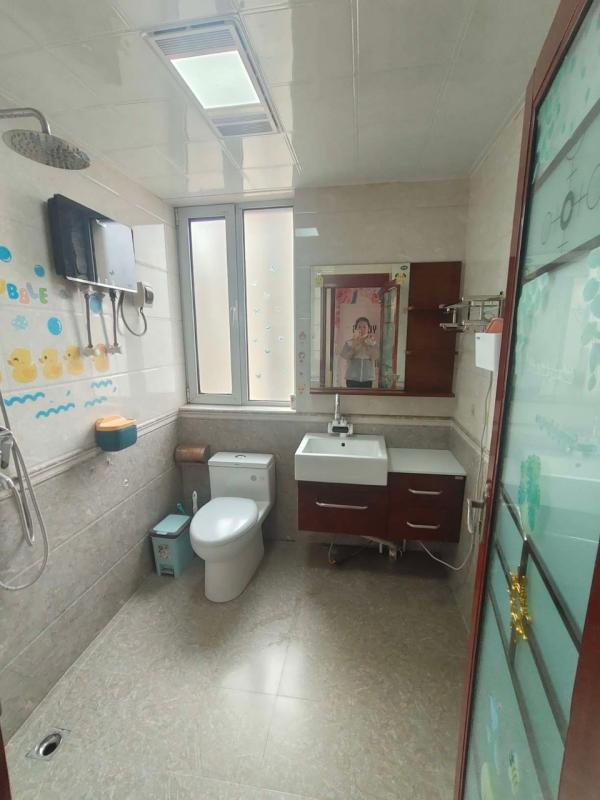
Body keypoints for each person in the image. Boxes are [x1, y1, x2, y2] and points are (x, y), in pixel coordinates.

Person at [340, 316, 378, 388]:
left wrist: (365, 344)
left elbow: (375, 357)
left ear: (368, 329)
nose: (362, 329)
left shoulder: (373, 343)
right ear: (356, 328)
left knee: (366, 395)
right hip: (352, 378)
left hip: (367, 378)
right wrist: (354, 346)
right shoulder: (349, 342)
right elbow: (346, 356)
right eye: (359, 327)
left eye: (364, 327)